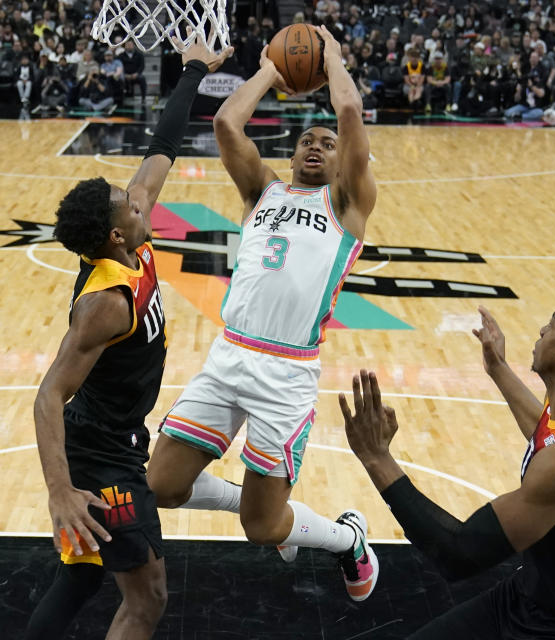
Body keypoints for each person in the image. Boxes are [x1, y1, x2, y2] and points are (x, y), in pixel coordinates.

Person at [145, 25, 380, 603]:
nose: (317, 147)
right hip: (229, 356)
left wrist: (332, 60)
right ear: (293, 153)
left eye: (327, 143)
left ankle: (347, 540)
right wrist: (274, 69)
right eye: (307, 141)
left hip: (286, 374)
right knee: (162, 485)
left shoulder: (347, 204)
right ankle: (246, 493)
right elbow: (227, 124)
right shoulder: (263, 193)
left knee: (263, 529)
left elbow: (349, 114)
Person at [26, 36, 233, 640]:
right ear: (117, 238)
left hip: (116, 436)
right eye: (131, 207)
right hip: (103, 457)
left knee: (82, 577)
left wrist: (193, 70)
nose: (141, 201)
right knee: (148, 599)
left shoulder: (127, 235)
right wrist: (61, 492)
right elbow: (46, 397)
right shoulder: (106, 305)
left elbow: (163, 145)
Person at [341, 273, 555, 638]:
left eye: (552, 324)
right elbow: (547, 432)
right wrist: (497, 368)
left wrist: (376, 458)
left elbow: (458, 553)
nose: (541, 329)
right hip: (529, 598)